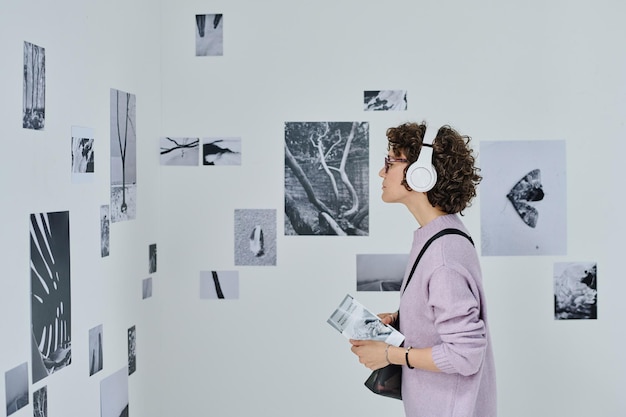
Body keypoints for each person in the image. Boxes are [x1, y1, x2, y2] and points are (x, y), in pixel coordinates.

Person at [349, 122, 496, 417]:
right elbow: (441, 311)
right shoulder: (438, 235)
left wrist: (390, 353)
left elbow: (465, 355)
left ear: (421, 173)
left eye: (390, 161)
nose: (382, 172)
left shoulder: (443, 254)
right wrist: (402, 320)